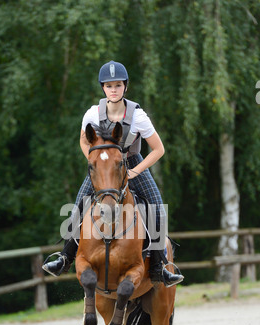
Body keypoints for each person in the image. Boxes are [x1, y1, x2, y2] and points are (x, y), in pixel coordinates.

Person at [43, 60, 183, 287]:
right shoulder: (92, 114)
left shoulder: (138, 117)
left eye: (118, 85)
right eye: (109, 86)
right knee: (78, 205)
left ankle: (160, 266)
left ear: (125, 87)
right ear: (103, 89)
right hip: (104, 169)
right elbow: (83, 139)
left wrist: (136, 170)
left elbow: (159, 149)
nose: (114, 89)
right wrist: (96, 163)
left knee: (156, 206)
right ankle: (65, 257)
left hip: (132, 163)